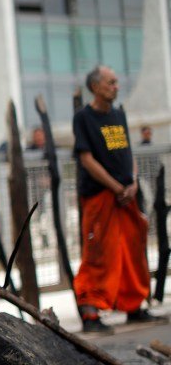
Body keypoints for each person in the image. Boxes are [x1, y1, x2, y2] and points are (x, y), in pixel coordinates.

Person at [73, 65, 158, 333]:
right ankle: (90, 311)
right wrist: (115, 187)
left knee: (132, 249)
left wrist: (131, 183)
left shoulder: (118, 114)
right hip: (100, 196)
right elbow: (86, 159)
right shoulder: (84, 118)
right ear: (95, 87)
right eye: (111, 82)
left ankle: (133, 305)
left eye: (116, 82)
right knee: (98, 251)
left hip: (126, 195)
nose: (116, 86)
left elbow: (128, 152)